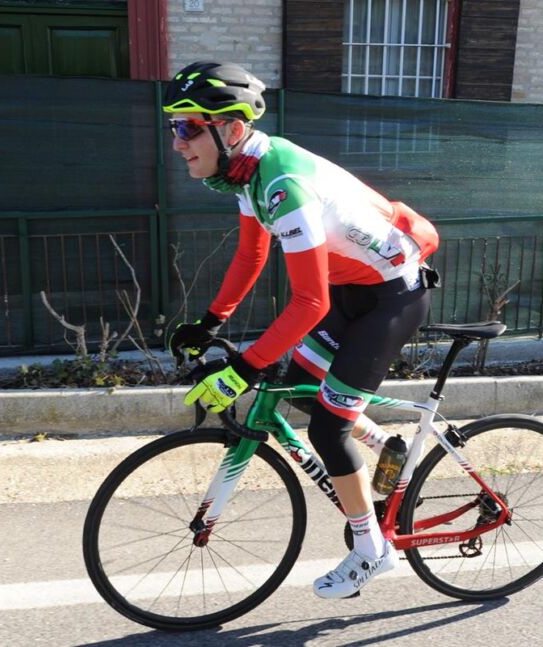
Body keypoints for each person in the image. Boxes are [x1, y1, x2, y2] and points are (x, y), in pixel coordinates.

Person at [164, 61, 439, 599]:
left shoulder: (282, 184)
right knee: (303, 390)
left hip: (393, 297)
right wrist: (210, 321)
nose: (177, 142)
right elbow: (251, 255)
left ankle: (371, 550)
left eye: (188, 127)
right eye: (174, 127)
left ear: (232, 129)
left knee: (328, 429)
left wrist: (244, 369)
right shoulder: (248, 171)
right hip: (351, 289)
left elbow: (310, 303)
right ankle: (387, 447)